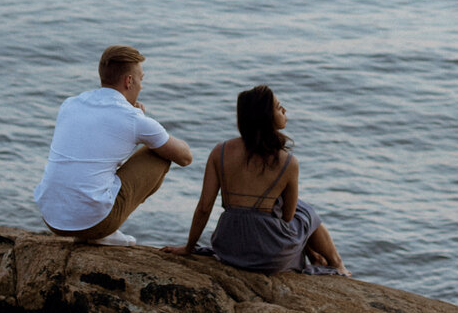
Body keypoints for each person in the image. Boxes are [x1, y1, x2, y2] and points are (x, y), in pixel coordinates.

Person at [165, 84, 348, 274]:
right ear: (266, 117)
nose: (284, 110)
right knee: (306, 212)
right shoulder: (288, 162)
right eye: (278, 107)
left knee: (289, 210)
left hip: (229, 249)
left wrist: (189, 247)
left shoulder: (219, 151)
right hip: (270, 255)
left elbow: (204, 207)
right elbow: (287, 216)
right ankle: (338, 265)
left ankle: (320, 259)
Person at [34, 45, 192, 245]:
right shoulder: (132, 118)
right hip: (93, 223)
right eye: (141, 79)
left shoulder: (70, 104)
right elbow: (185, 157)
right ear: (129, 81)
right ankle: (105, 232)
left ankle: (100, 226)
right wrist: (145, 127)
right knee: (159, 153)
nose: (141, 86)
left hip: (52, 219)